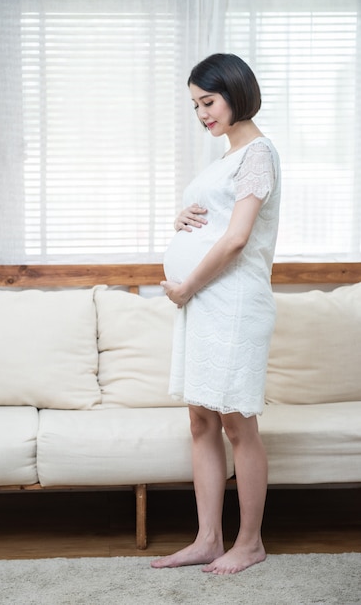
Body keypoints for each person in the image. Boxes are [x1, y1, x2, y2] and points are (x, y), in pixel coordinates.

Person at [151, 53, 281, 575]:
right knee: (200, 418)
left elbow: (236, 239)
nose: (202, 113)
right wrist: (181, 218)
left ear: (236, 92)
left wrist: (184, 288)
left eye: (208, 101)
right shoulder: (225, 159)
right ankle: (208, 538)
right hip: (203, 303)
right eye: (195, 105)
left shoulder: (258, 153)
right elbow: (215, 222)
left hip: (231, 304)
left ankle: (249, 543)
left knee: (236, 422)